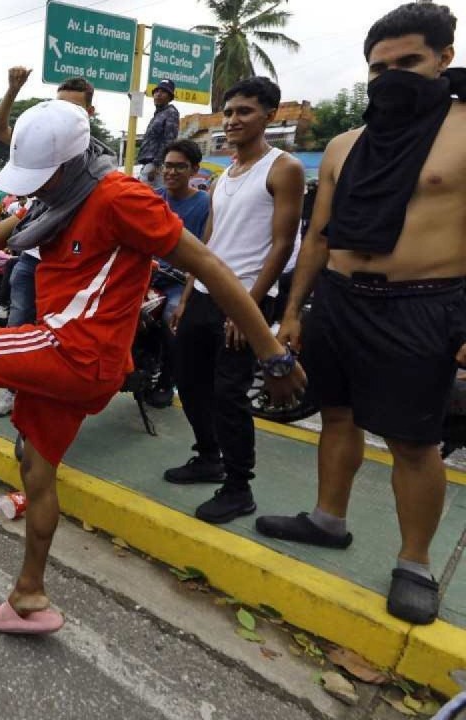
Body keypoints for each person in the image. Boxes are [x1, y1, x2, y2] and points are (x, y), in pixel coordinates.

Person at [0, 100, 304, 633]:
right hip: (67, 351)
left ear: (72, 162)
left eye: (40, 176)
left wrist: (273, 353)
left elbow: (209, 263)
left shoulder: (121, 196)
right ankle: (29, 596)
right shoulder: (52, 200)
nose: (33, 185)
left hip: (74, 349)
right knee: (37, 473)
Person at [256, 3, 465, 625]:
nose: (391, 75)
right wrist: (294, 311)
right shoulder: (348, 144)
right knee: (337, 416)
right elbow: (318, 238)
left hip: (423, 304)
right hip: (340, 301)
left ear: (443, 59)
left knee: (413, 440)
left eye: (409, 62)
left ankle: (414, 563)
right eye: (379, 68)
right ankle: (328, 519)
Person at [165, 77, 305, 524]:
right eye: (228, 113)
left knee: (230, 395)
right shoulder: (224, 174)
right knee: (189, 383)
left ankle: (238, 486)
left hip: (246, 298)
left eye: (244, 111)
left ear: (269, 115)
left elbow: (282, 244)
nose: (232, 121)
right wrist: (187, 295)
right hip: (205, 295)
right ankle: (208, 456)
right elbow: (208, 243)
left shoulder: (284, 168)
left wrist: (248, 305)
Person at [0, 69, 106, 419]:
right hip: (33, 259)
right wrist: (12, 90)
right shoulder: (40, 149)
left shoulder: (105, 176)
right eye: (57, 108)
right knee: (19, 328)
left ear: (88, 117)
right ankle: (13, 392)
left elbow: (194, 256)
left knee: (64, 338)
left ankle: (55, 403)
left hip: (75, 270)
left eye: (73, 112)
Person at [147, 139, 211, 409]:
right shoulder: (152, 198)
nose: (171, 172)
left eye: (180, 167)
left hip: (180, 282)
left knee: (172, 319)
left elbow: (204, 256)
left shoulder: (205, 205)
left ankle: (167, 379)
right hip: (147, 275)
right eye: (168, 166)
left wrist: (186, 293)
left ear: (194, 170)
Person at [138, 80, 181, 188]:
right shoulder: (158, 114)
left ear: (169, 97)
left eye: (163, 92)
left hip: (156, 166)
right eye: (157, 91)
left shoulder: (171, 112)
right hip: (149, 164)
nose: (158, 94)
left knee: (147, 199)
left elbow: (169, 141)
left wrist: (157, 165)